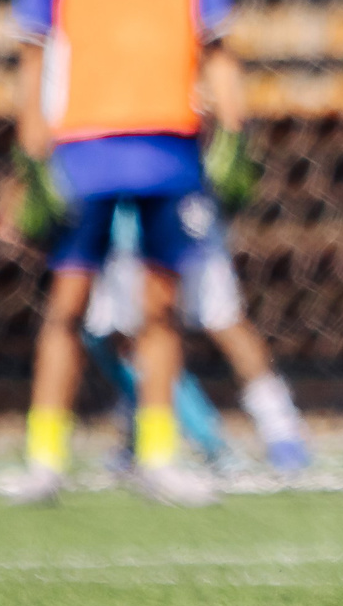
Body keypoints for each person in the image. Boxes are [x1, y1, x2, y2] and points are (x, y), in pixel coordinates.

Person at [6, 0, 262, 508]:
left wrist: (234, 131)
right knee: (69, 302)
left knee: (162, 305)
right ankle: (45, 454)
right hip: (85, 147)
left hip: (167, 148)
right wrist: (31, 140)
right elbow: (32, 52)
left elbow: (218, 46)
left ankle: (157, 452)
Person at [81, 197, 312, 473]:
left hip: (183, 205)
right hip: (126, 215)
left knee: (222, 319)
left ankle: (279, 428)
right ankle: (145, 430)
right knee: (130, 332)